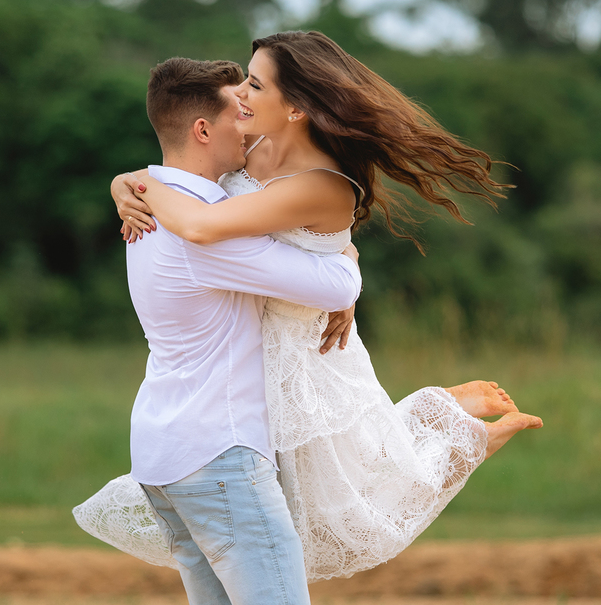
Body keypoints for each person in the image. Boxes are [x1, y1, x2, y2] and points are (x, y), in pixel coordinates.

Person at [105, 31, 543, 582]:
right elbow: (275, 237)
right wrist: (128, 181)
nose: (242, 93)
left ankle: (464, 432)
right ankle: (446, 415)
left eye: (255, 83)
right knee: (320, 488)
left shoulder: (320, 182)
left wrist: (139, 182)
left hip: (301, 342)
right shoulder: (249, 152)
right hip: (250, 344)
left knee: (361, 486)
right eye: (244, 79)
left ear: (295, 108)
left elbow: (209, 225)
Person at [72, 56, 364, 604]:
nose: (249, 117)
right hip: (219, 454)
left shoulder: (150, 194)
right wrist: (344, 252)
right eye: (239, 110)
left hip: (164, 453)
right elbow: (335, 288)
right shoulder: (205, 229)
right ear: (203, 129)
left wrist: (120, 182)